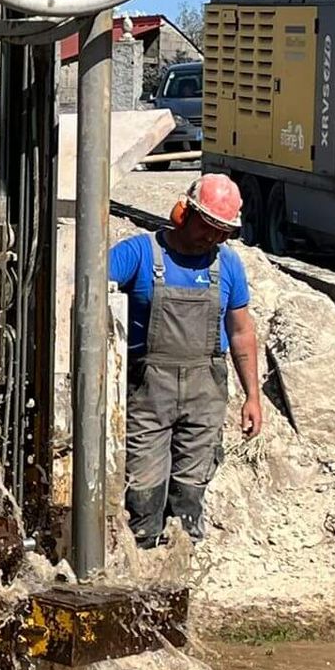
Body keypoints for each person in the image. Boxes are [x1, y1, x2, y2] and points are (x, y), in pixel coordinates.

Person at [108, 174, 262, 548]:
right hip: (148, 393)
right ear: (183, 213)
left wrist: (252, 396)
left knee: (189, 496)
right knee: (142, 493)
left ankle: (179, 573)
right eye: (207, 228)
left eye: (221, 233)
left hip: (204, 393)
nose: (212, 239)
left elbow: (241, 332)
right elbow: (81, 290)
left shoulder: (227, 266)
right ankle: (141, 571)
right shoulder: (138, 254)